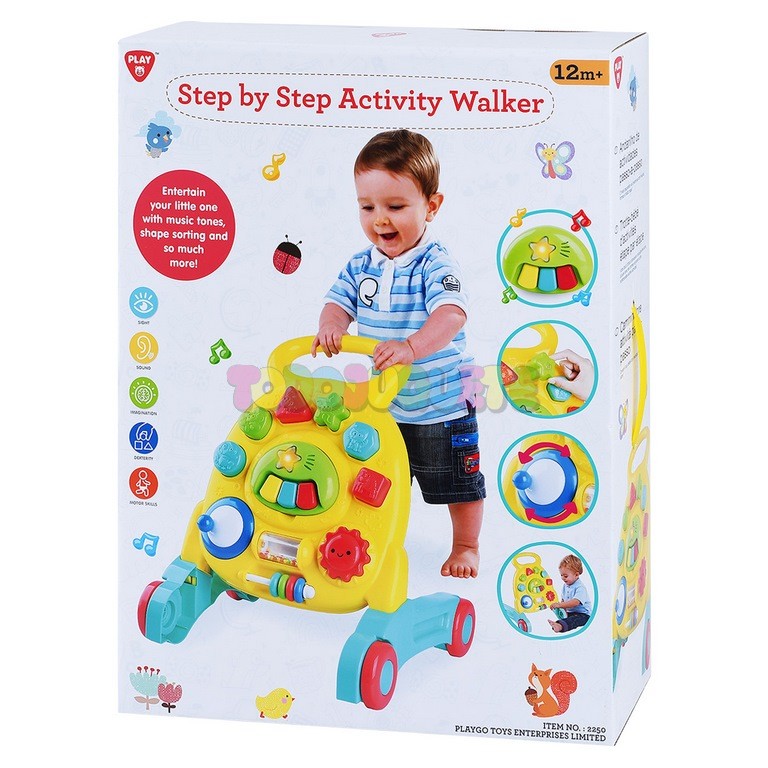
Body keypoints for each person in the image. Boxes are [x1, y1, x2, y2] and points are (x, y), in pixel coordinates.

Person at [311, 129, 484, 578]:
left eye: (395, 207)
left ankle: (466, 545)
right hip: (384, 407)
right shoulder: (360, 264)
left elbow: (451, 314)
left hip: (441, 405)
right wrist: (332, 325)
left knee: (458, 482)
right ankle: (370, 543)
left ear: (431, 206)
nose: (380, 220)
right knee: (373, 481)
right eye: (367, 207)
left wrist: (412, 347)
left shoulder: (434, 263)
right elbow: (337, 302)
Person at [548, 554, 592, 633]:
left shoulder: (580, 587)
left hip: (584, 615)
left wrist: (559, 605)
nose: (563, 578)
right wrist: (560, 609)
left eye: (565, 576)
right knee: (567, 618)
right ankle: (559, 623)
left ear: (576, 575)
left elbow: (575, 602)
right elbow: (563, 600)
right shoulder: (566, 586)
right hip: (572, 612)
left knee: (574, 620)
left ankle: (560, 626)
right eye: (561, 575)